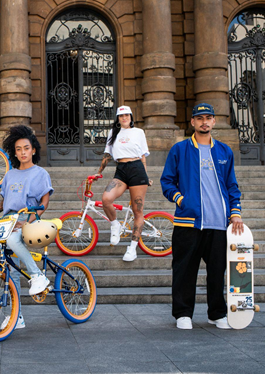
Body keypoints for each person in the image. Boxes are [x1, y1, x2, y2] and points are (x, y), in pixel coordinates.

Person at [161, 103, 244, 330]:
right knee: (184, 270)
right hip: (188, 222)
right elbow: (167, 182)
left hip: (218, 223)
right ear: (193, 122)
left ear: (214, 121)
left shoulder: (224, 151)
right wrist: (181, 200)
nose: (204, 122)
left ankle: (217, 313)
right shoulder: (180, 149)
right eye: (200, 118)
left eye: (208, 118)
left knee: (217, 271)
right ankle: (183, 314)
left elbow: (232, 186)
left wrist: (235, 213)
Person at [0, 125, 53, 329]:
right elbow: (4, 203)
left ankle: (37, 275)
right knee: (11, 270)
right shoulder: (10, 175)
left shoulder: (41, 173)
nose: (23, 152)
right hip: (7, 220)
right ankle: (16, 316)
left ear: (33, 150)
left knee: (12, 240)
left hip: (28, 217)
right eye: (18, 149)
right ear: (14, 152)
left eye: (26, 148)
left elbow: (44, 202)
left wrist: (30, 220)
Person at [94, 105, 152, 261]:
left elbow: (143, 156)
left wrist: (146, 176)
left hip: (137, 169)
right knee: (106, 199)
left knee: (137, 210)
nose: (124, 117)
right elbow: (107, 155)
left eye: (127, 115)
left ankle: (132, 248)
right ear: (118, 118)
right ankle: (115, 225)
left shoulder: (139, 132)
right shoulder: (113, 133)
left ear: (131, 117)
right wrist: (99, 172)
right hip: (121, 170)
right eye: (121, 115)